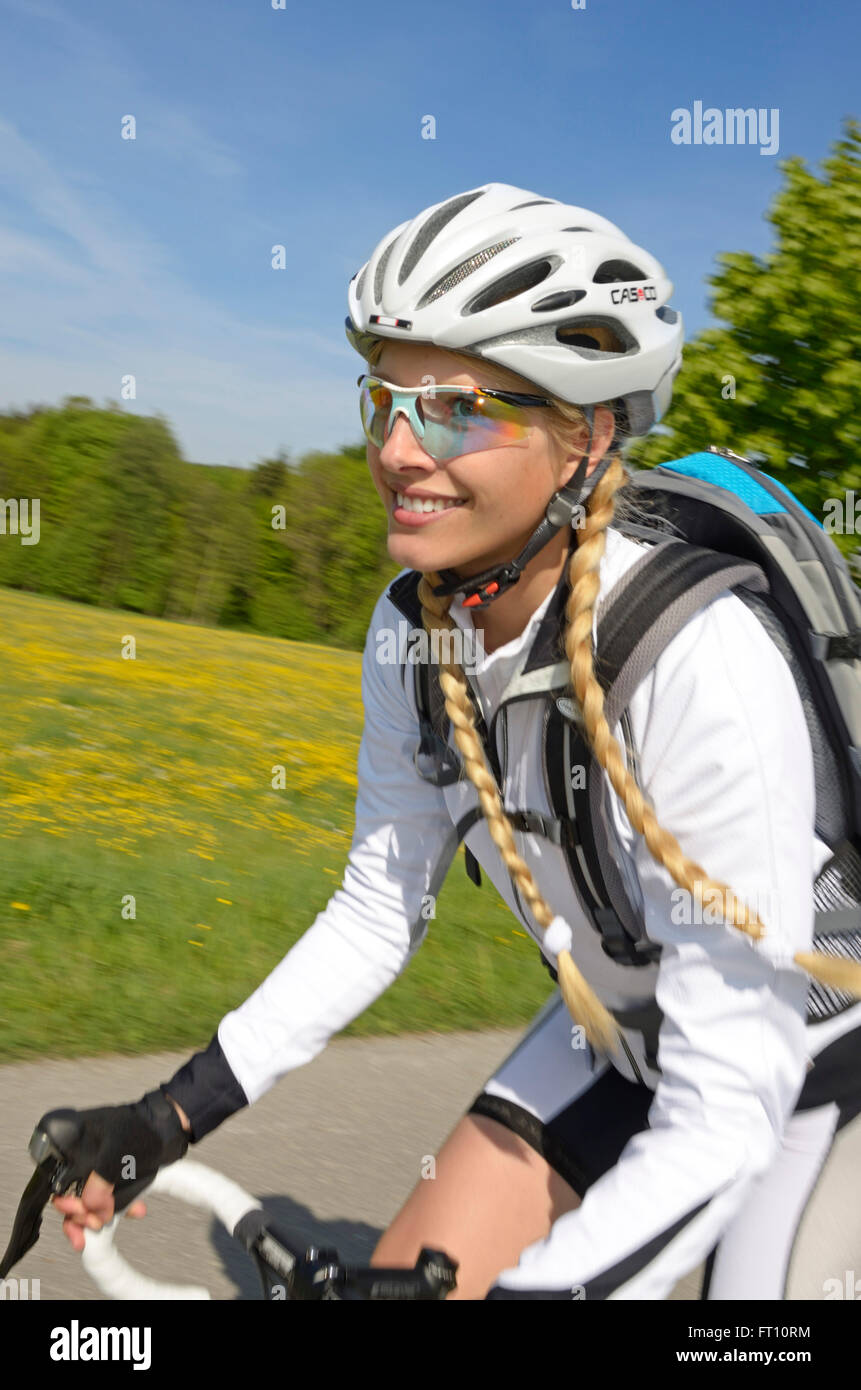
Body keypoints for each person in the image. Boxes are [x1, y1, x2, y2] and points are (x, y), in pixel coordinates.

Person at [50, 183, 861, 1300]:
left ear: (584, 435)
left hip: (805, 1051)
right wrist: (165, 1116)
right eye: (384, 399)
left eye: (455, 408)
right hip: (623, 1022)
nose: (396, 448)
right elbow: (380, 907)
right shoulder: (413, 628)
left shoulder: (696, 655)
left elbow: (728, 1100)